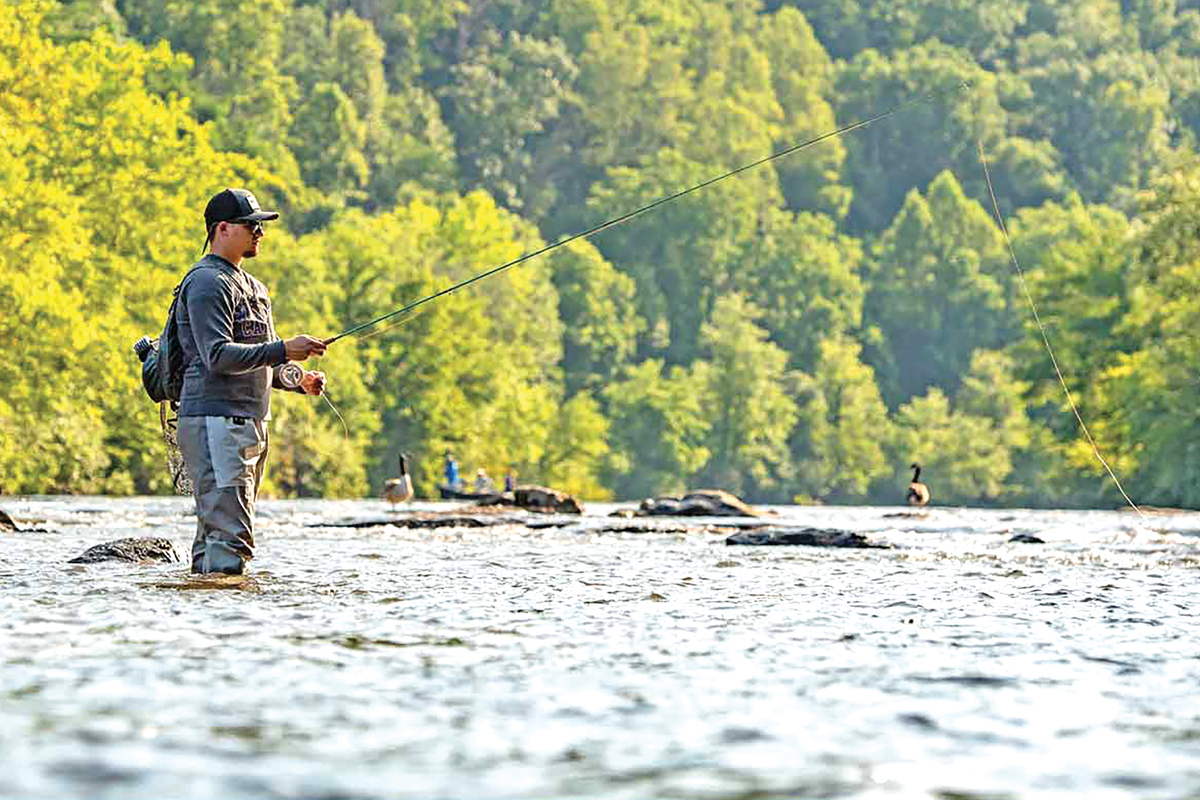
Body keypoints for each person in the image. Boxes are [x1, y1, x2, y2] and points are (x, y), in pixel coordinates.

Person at [174, 188, 328, 575]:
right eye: (251, 225)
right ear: (222, 229)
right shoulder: (207, 282)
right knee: (231, 532)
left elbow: (262, 360)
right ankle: (229, 625)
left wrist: (296, 379)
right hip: (216, 420)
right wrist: (282, 349)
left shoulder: (255, 288)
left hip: (246, 423)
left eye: (261, 226)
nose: (260, 232)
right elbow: (218, 355)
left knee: (219, 529)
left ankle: (204, 607)